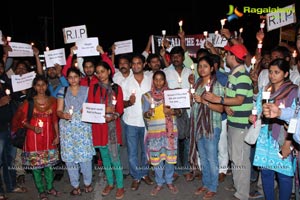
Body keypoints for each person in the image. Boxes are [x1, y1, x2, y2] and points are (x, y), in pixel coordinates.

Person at [250, 58, 298, 200]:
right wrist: (253, 116)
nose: (272, 75)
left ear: (286, 74)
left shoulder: (293, 92)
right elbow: (258, 109)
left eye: (276, 72)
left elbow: (295, 119)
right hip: (265, 137)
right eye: (270, 72)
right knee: (266, 173)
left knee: (284, 175)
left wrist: (287, 144)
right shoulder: (266, 90)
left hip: (283, 138)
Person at [11, 75, 60, 200]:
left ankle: (50, 187)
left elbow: (55, 120)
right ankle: (41, 190)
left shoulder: (53, 101)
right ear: (34, 87)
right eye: (38, 85)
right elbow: (22, 121)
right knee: (36, 167)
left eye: (43, 84)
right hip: (33, 139)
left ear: (47, 86)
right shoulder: (29, 102)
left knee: (48, 166)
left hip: (49, 138)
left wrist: (57, 135)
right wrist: (33, 128)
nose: (41, 87)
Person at [88, 61, 125, 199]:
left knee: (115, 158)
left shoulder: (116, 88)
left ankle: (120, 186)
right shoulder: (94, 88)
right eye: (98, 72)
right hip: (99, 127)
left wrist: (112, 115)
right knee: (105, 158)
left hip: (112, 128)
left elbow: (120, 109)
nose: (100, 74)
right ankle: (110, 183)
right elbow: (90, 108)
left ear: (109, 72)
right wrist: (106, 109)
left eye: (103, 71)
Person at [56, 67, 95, 195]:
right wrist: (63, 115)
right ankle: (75, 185)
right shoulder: (63, 90)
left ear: (80, 78)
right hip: (67, 128)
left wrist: (87, 110)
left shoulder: (86, 90)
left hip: (83, 127)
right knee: (70, 158)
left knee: (85, 157)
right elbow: (59, 110)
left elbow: (91, 107)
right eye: (70, 77)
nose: (73, 79)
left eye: (75, 77)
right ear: (67, 79)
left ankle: (88, 183)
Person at [191, 56, 224, 199]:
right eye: (200, 66)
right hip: (199, 126)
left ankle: (213, 186)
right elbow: (194, 105)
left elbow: (221, 108)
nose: (202, 69)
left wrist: (204, 101)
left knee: (212, 158)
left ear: (211, 68)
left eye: (205, 66)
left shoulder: (216, 85)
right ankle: (205, 183)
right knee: (203, 158)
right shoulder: (197, 84)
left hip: (212, 126)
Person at [142, 70, 180, 196]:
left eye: (161, 79)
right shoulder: (147, 96)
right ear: (153, 81)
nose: (158, 82)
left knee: (170, 158)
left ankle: (169, 181)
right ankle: (159, 182)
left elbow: (179, 112)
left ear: (165, 81)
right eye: (156, 79)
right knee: (157, 158)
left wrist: (172, 112)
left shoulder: (171, 94)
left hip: (170, 132)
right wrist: (148, 113)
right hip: (155, 132)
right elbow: (145, 115)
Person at [120, 54, 154, 191]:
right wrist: (129, 102)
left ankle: (145, 173)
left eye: (138, 63)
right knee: (132, 152)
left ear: (144, 64)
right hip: (131, 122)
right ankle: (136, 177)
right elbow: (119, 103)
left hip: (147, 121)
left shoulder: (150, 79)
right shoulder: (125, 83)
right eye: (133, 63)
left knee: (146, 151)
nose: (136, 66)